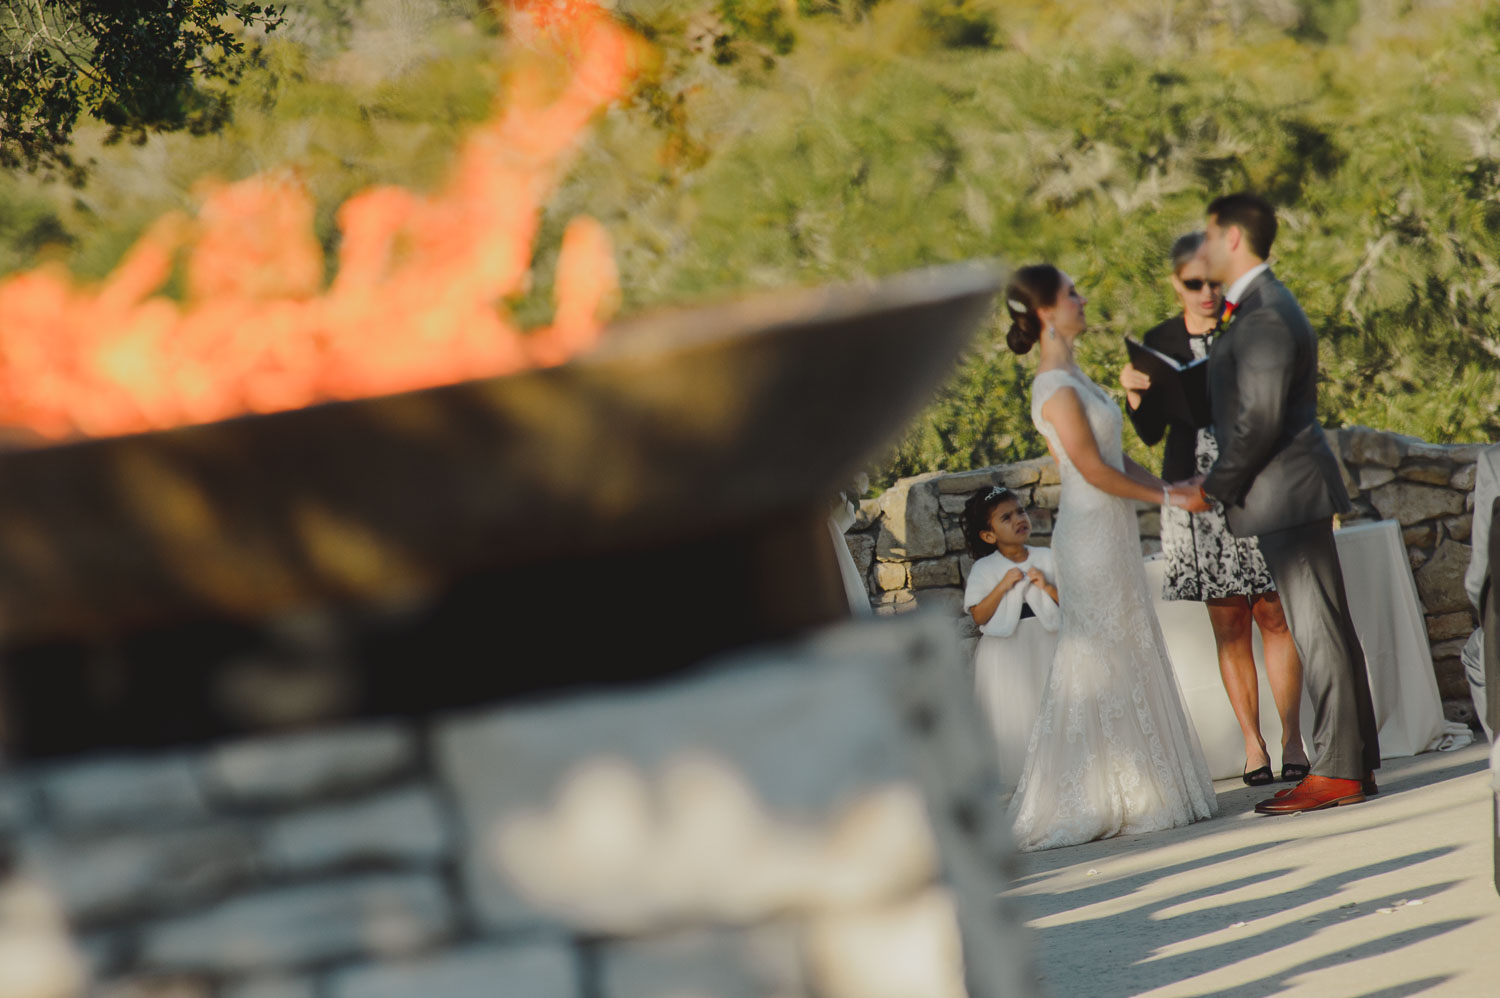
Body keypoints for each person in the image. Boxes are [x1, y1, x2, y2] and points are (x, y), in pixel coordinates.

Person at [1002, 263, 1217, 852]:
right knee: (1097, 657)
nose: (1083, 298)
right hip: (1090, 536)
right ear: (1046, 311)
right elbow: (1092, 472)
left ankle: (1150, 785)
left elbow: (1116, 459)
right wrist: (1171, 496)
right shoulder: (1053, 385)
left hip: (1113, 530)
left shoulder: (1076, 374)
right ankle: (1098, 792)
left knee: (1131, 647)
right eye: (1073, 293)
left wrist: (1174, 485)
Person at [1188, 193, 1380, 815]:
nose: (1203, 248)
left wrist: (1213, 487)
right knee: (1324, 626)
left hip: (1286, 488)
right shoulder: (1260, 306)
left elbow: (1263, 418)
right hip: (1286, 489)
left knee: (1316, 629)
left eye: (1208, 236)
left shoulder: (1266, 314)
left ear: (1233, 238)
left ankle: (1337, 771)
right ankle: (1350, 761)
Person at [1119, 232, 1310, 787]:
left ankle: (1293, 737)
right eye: (1193, 283)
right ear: (1175, 283)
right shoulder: (1159, 340)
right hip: (1194, 491)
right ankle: (1253, 746)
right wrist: (1135, 395)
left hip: (1259, 481)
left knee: (1274, 612)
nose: (1206, 292)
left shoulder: (1249, 323)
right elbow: (1152, 432)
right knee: (1229, 622)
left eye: (1213, 282)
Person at [961, 485, 1061, 791]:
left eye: (1020, 511)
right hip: (1008, 650)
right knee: (1019, 709)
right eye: (1006, 517)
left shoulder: (1046, 556)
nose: (1019, 518)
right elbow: (979, 615)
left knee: (1052, 702)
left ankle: (1061, 766)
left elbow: (1070, 601)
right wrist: (1003, 585)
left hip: (1047, 641)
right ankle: (1030, 780)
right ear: (989, 535)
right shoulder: (985, 568)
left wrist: (1045, 586)